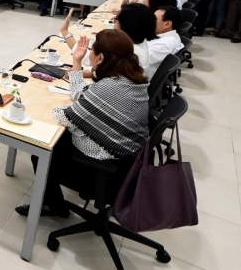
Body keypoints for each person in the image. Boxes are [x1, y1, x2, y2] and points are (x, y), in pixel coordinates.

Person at [15, 31, 149, 218]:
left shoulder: (108, 87)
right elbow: (82, 95)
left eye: (91, 52)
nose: (89, 55)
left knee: (42, 149)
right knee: (61, 137)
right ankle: (52, 202)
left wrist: (46, 107)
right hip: (127, 160)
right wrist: (76, 62)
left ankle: (54, 205)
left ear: (100, 57)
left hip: (107, 166)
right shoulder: (129, 79)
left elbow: (65, 116)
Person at [115, 3, 157, 75]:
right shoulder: (141, 42)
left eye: (117, 19)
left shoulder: (129, 54)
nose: (115, 23)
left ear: (126, 26)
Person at [146, 6, 184, 78]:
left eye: (153, 19)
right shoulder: (165, 35)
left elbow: (137, 58)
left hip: (138, 78)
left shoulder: (167, 44)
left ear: (167, 24)